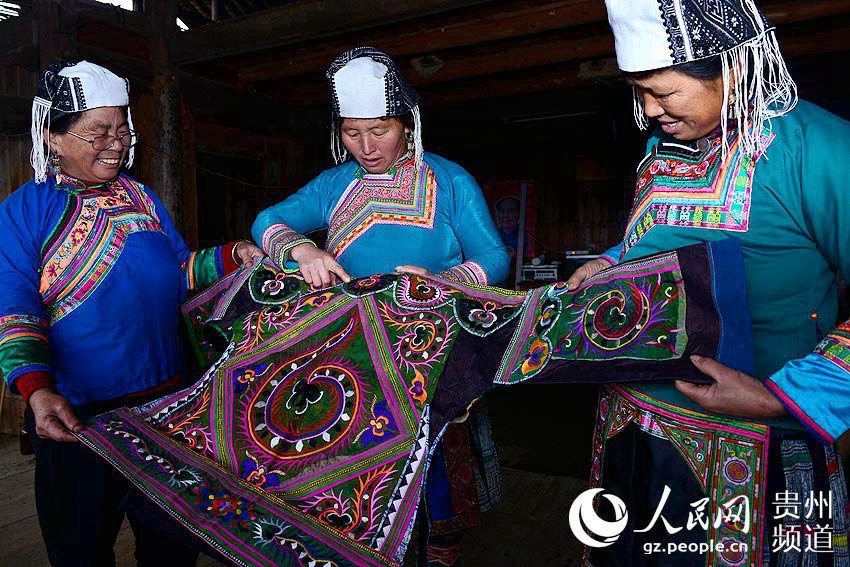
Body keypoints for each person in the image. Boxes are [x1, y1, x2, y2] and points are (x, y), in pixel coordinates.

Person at [566, 1, 850, 564]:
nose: (649, 113)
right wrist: (610, 261)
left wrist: (784, 396)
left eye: (663, 94)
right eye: (639, 93)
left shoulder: (816, 147)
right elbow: (662, 237)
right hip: (633, 419)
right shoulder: (659, 152)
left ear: (734, 68)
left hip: (752, 432)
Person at [251, 47, 509, 566]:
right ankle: (362, 534)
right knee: (360, 447)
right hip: (356, 346)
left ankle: (443, 530)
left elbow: (495, 257)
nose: (366, 147)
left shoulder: (449, 180)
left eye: (380, 130)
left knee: (431, 448)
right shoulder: (333, 185)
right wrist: (301, 248)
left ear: (407, 122)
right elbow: (266, 220)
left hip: (431, 341)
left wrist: (444, 279)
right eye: (351, 133)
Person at [0, 60, 263, 566]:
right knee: (81, 546)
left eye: (122, 128)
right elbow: (14, 311)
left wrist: (232, 256)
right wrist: (39, 390)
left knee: (169, 547)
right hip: (76, 417)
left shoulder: (142, 197)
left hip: (166, 407)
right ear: (52, 137)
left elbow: (179, 273)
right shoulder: (25, 211)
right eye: (97, 132)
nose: (116, 143)